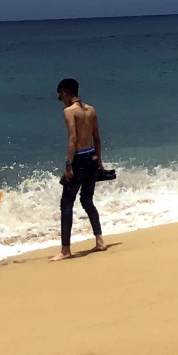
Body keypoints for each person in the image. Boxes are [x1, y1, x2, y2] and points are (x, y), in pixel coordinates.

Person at [56, 78, 107, 259]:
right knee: (87, 199)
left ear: (65, 92)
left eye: (60, 95)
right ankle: (100, 240)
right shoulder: (91, 110)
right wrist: (99, 161)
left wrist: (68, 164)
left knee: (66, 203)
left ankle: (65, 250)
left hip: (79, 159)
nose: (60, 99)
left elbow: (73, 139)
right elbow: (97, 138)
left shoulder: (69, 112)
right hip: (92, 156)